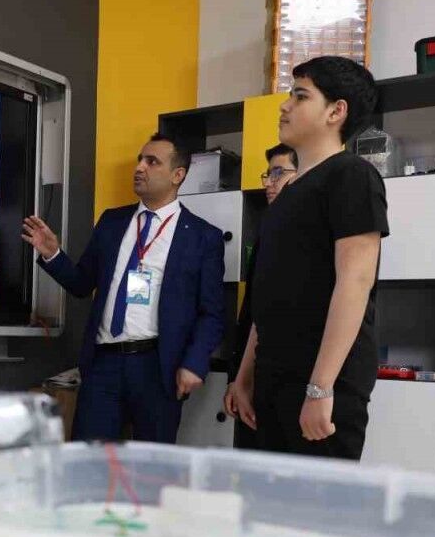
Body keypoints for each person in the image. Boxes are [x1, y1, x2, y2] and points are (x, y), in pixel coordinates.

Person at [232, 56, 388, 460]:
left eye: (301, 96)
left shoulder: (352, 175)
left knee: (319, 497)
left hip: (322, 381)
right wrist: (244, 377)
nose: (285, 106)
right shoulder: (286, 194)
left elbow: (355, 283)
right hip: (272, 376)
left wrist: (320, 388)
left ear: (336, 111)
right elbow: (268, 296)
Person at [22, 133, 226, 443]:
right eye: (140, 160)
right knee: (89, 457)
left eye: (152, 162)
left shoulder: (202, 237)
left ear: (177, 175)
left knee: (150, 463)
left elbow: (211, 313)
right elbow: (81, 284)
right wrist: (53, 254)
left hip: (159, 368)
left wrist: (194, 363)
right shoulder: (112, 222)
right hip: (103, 365)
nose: (140, 167)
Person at [223, 143, 298, 448]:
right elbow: (253, 312)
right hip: (259, 371)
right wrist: (239, 378)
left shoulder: (313, 231)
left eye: (278, 173)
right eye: (268, 174)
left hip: (296, 379)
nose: (269, 182)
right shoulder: (268, 229)